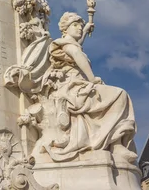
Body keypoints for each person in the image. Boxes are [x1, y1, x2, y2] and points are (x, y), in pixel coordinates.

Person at [38, 12, 137, 163]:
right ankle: (115, 144)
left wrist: (86, 28)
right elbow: (77, 55)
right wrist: (92, 79)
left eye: (81, 25)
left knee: (116, 97)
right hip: (72, 88)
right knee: (120, 95)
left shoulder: (71, 44)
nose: (79, 28)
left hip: (78, 86)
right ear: (65, 29)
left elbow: (78, 44)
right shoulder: (66, 45)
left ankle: (116, 144)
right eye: (75, 25)